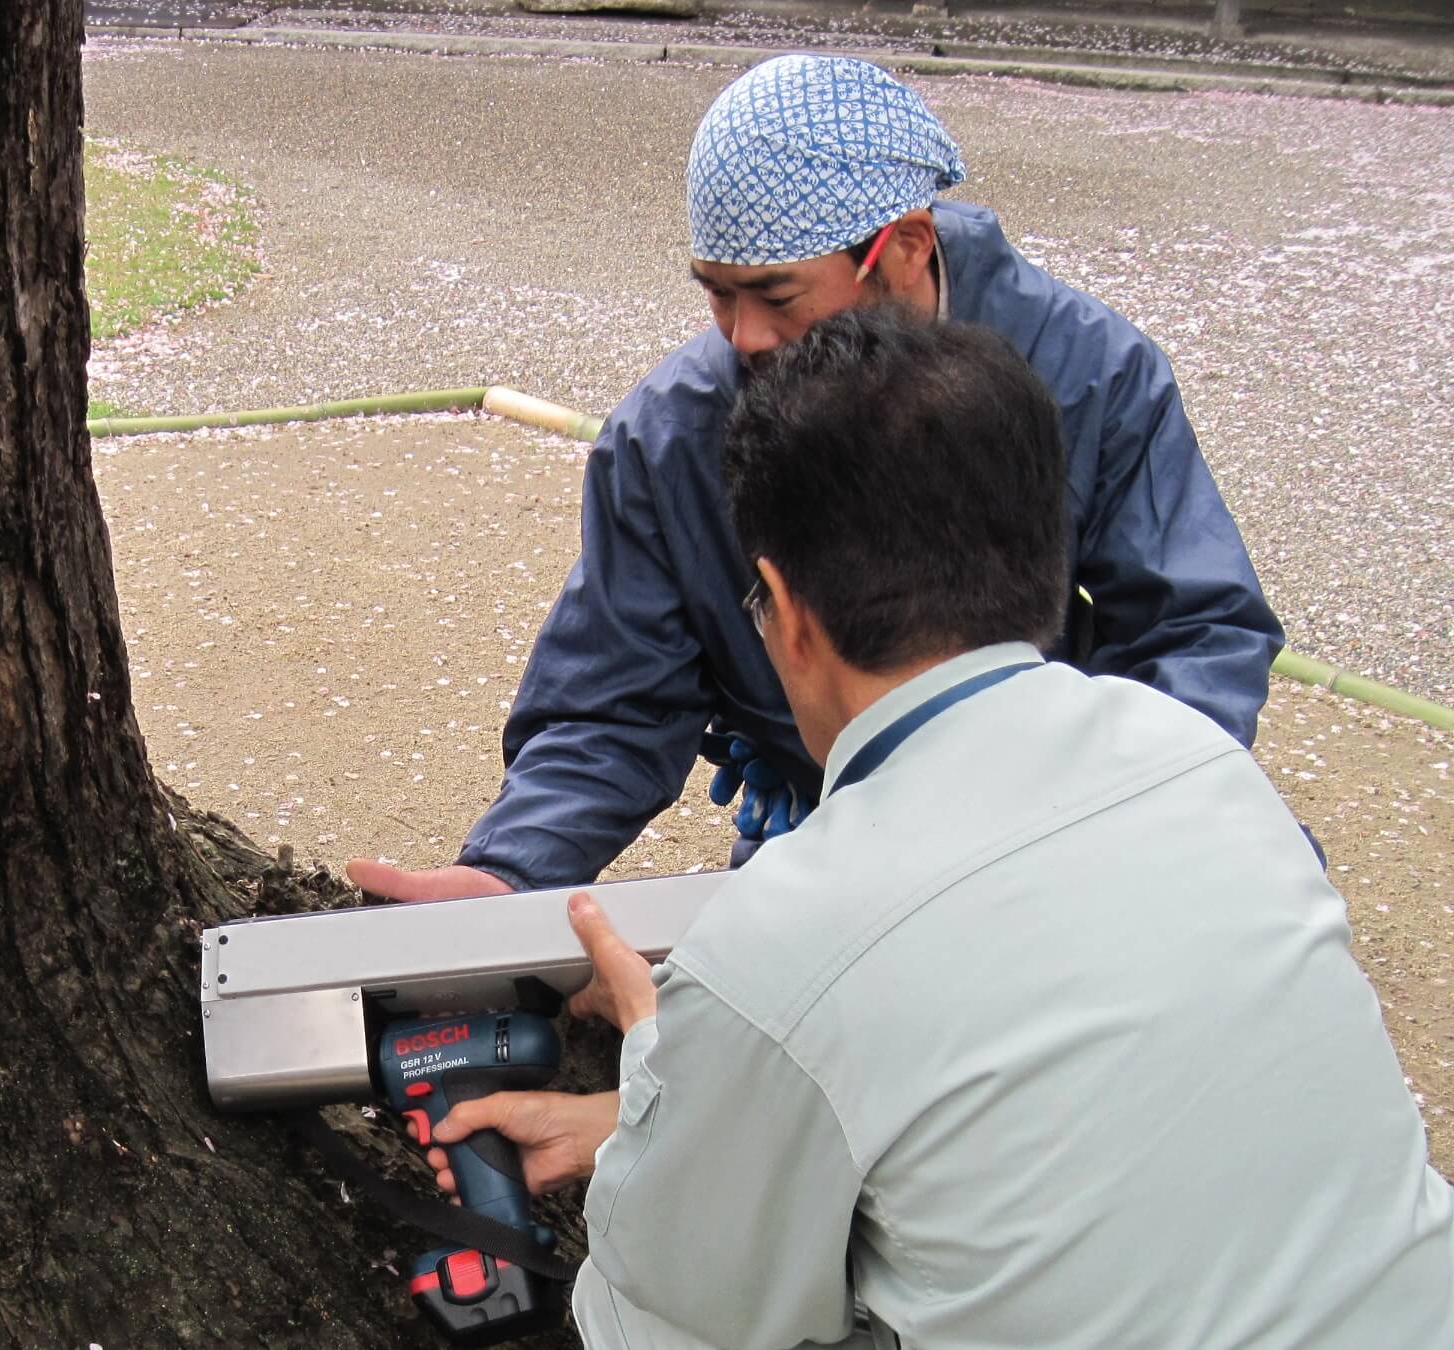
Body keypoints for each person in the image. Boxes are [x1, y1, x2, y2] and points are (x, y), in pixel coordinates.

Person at [429, 309, 1454, 1348]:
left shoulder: (782, 947)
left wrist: (675, 1063)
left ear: (788, 612)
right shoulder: (1202, 763)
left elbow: (670, 1310)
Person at [347, 55, 1285, 903]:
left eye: (777, 295)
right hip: (822, 831)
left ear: (907, 245)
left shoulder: (1092, 374)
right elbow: (614, 702)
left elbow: (1196, 630)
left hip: (1060, 824)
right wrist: (508, 872)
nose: (742, 338)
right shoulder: (670, 436)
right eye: (716, 291)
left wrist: (1115, 822)